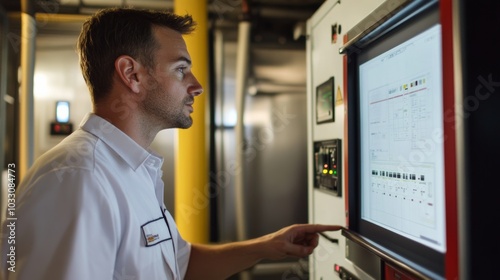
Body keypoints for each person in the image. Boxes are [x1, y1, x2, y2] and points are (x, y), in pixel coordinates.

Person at [0, 8, 342, 280]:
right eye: (181, 70)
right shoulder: (79, 179)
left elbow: (179, 265)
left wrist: (267, 247)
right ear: (132, 75)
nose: (196, 86)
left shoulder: (131, 169)